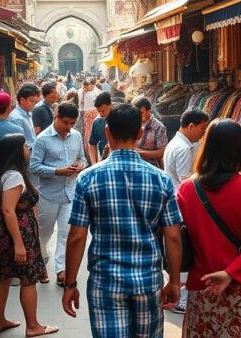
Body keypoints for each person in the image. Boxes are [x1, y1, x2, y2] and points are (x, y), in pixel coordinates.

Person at [61, 103, 183, 338]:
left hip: (105, 282)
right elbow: (173, 237)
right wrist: (175, 281)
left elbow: (77, 237)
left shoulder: (88, 178)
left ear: (107, 133)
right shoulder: (162, 180)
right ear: (139, 134)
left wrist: (70, 284)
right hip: (147, 281)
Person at [177, 119, 241, 337]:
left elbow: (175, 238)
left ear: (206, 147)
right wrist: (231, 272)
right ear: (240, 149)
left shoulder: (187, 190)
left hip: (203, 286)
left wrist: (173, 279)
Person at [0, 134, 59, 337]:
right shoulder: (14, 176)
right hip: (16, 231)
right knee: (28, 279)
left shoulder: (3, 173)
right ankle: (33, 326)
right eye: (25, 146)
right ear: (17, 151)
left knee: (4, 276)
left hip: (4, 230)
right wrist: (19, 244)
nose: (28, 149)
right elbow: (9, 210)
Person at [30, 103, 87, 285]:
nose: (69, 127)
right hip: (48, 195)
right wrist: (58, 171)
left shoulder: (76, 136)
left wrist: (80, 166)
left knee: (65, 233)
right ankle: (42, 258)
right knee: (44, 233)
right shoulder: (42, 139)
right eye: (65, 122)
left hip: (70, 193)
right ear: (56, 116)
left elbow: (82, 158)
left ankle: (61, 270)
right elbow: (34, 166)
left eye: (72, 123)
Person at [162, 109, 210, 314]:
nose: (203, 133)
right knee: (183, 248)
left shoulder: (180, 143)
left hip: (176, 202)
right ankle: (179, 294)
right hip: (179, 204)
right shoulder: (182, 148)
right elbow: (185, 180)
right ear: (191, 126)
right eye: (202, 128)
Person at [132, 97, 168, 169]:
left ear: (149, 111)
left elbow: (161, 152)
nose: (137, 115)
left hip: (151, 168)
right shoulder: (131, 122)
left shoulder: (158, 127)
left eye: (140, 113)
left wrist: (139, 152)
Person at [10, 83, 41, 149]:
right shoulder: (17, 118)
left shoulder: (28, 113)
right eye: (31, 101)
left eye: (35, 102)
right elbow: (20, 145)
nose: (34, 104)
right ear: (22, 100)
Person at [87, 91, 112, 163]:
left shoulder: (122, 119)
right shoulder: (98, 122)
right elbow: (92, 144)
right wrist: (94, 164)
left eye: (103, 111)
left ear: (110, 105)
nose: (101, 114)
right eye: (99, 111)